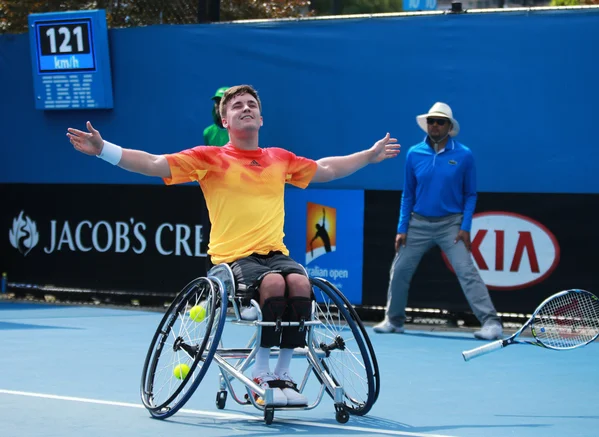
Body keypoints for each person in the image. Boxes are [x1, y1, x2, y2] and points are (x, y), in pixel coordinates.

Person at [66, 84, 400, 407]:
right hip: (232, 261)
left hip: (276, 254)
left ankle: (283, 374)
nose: (246, 109)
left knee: (299, 283)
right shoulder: (208, 158)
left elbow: (326, 169)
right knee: (272, 284)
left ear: (261, 119)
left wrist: (368, 156)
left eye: (252, 105)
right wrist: (103, 150)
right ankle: (260, 374)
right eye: (237, 106)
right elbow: (154, 164)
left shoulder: (278, 158)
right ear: (225, 121)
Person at [373, 102, 503, 341]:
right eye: (431, 121)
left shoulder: (464, 155)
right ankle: (394, 321)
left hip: (451, 226)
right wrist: (402, 228)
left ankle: (492, 323)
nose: (434, 125)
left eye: (440, 121)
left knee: (466, 271)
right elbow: (408, 193)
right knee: (399, 270)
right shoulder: (414, 153)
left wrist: (465, 227)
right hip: (417, 224)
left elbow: (470, 194)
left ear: (449, 126)